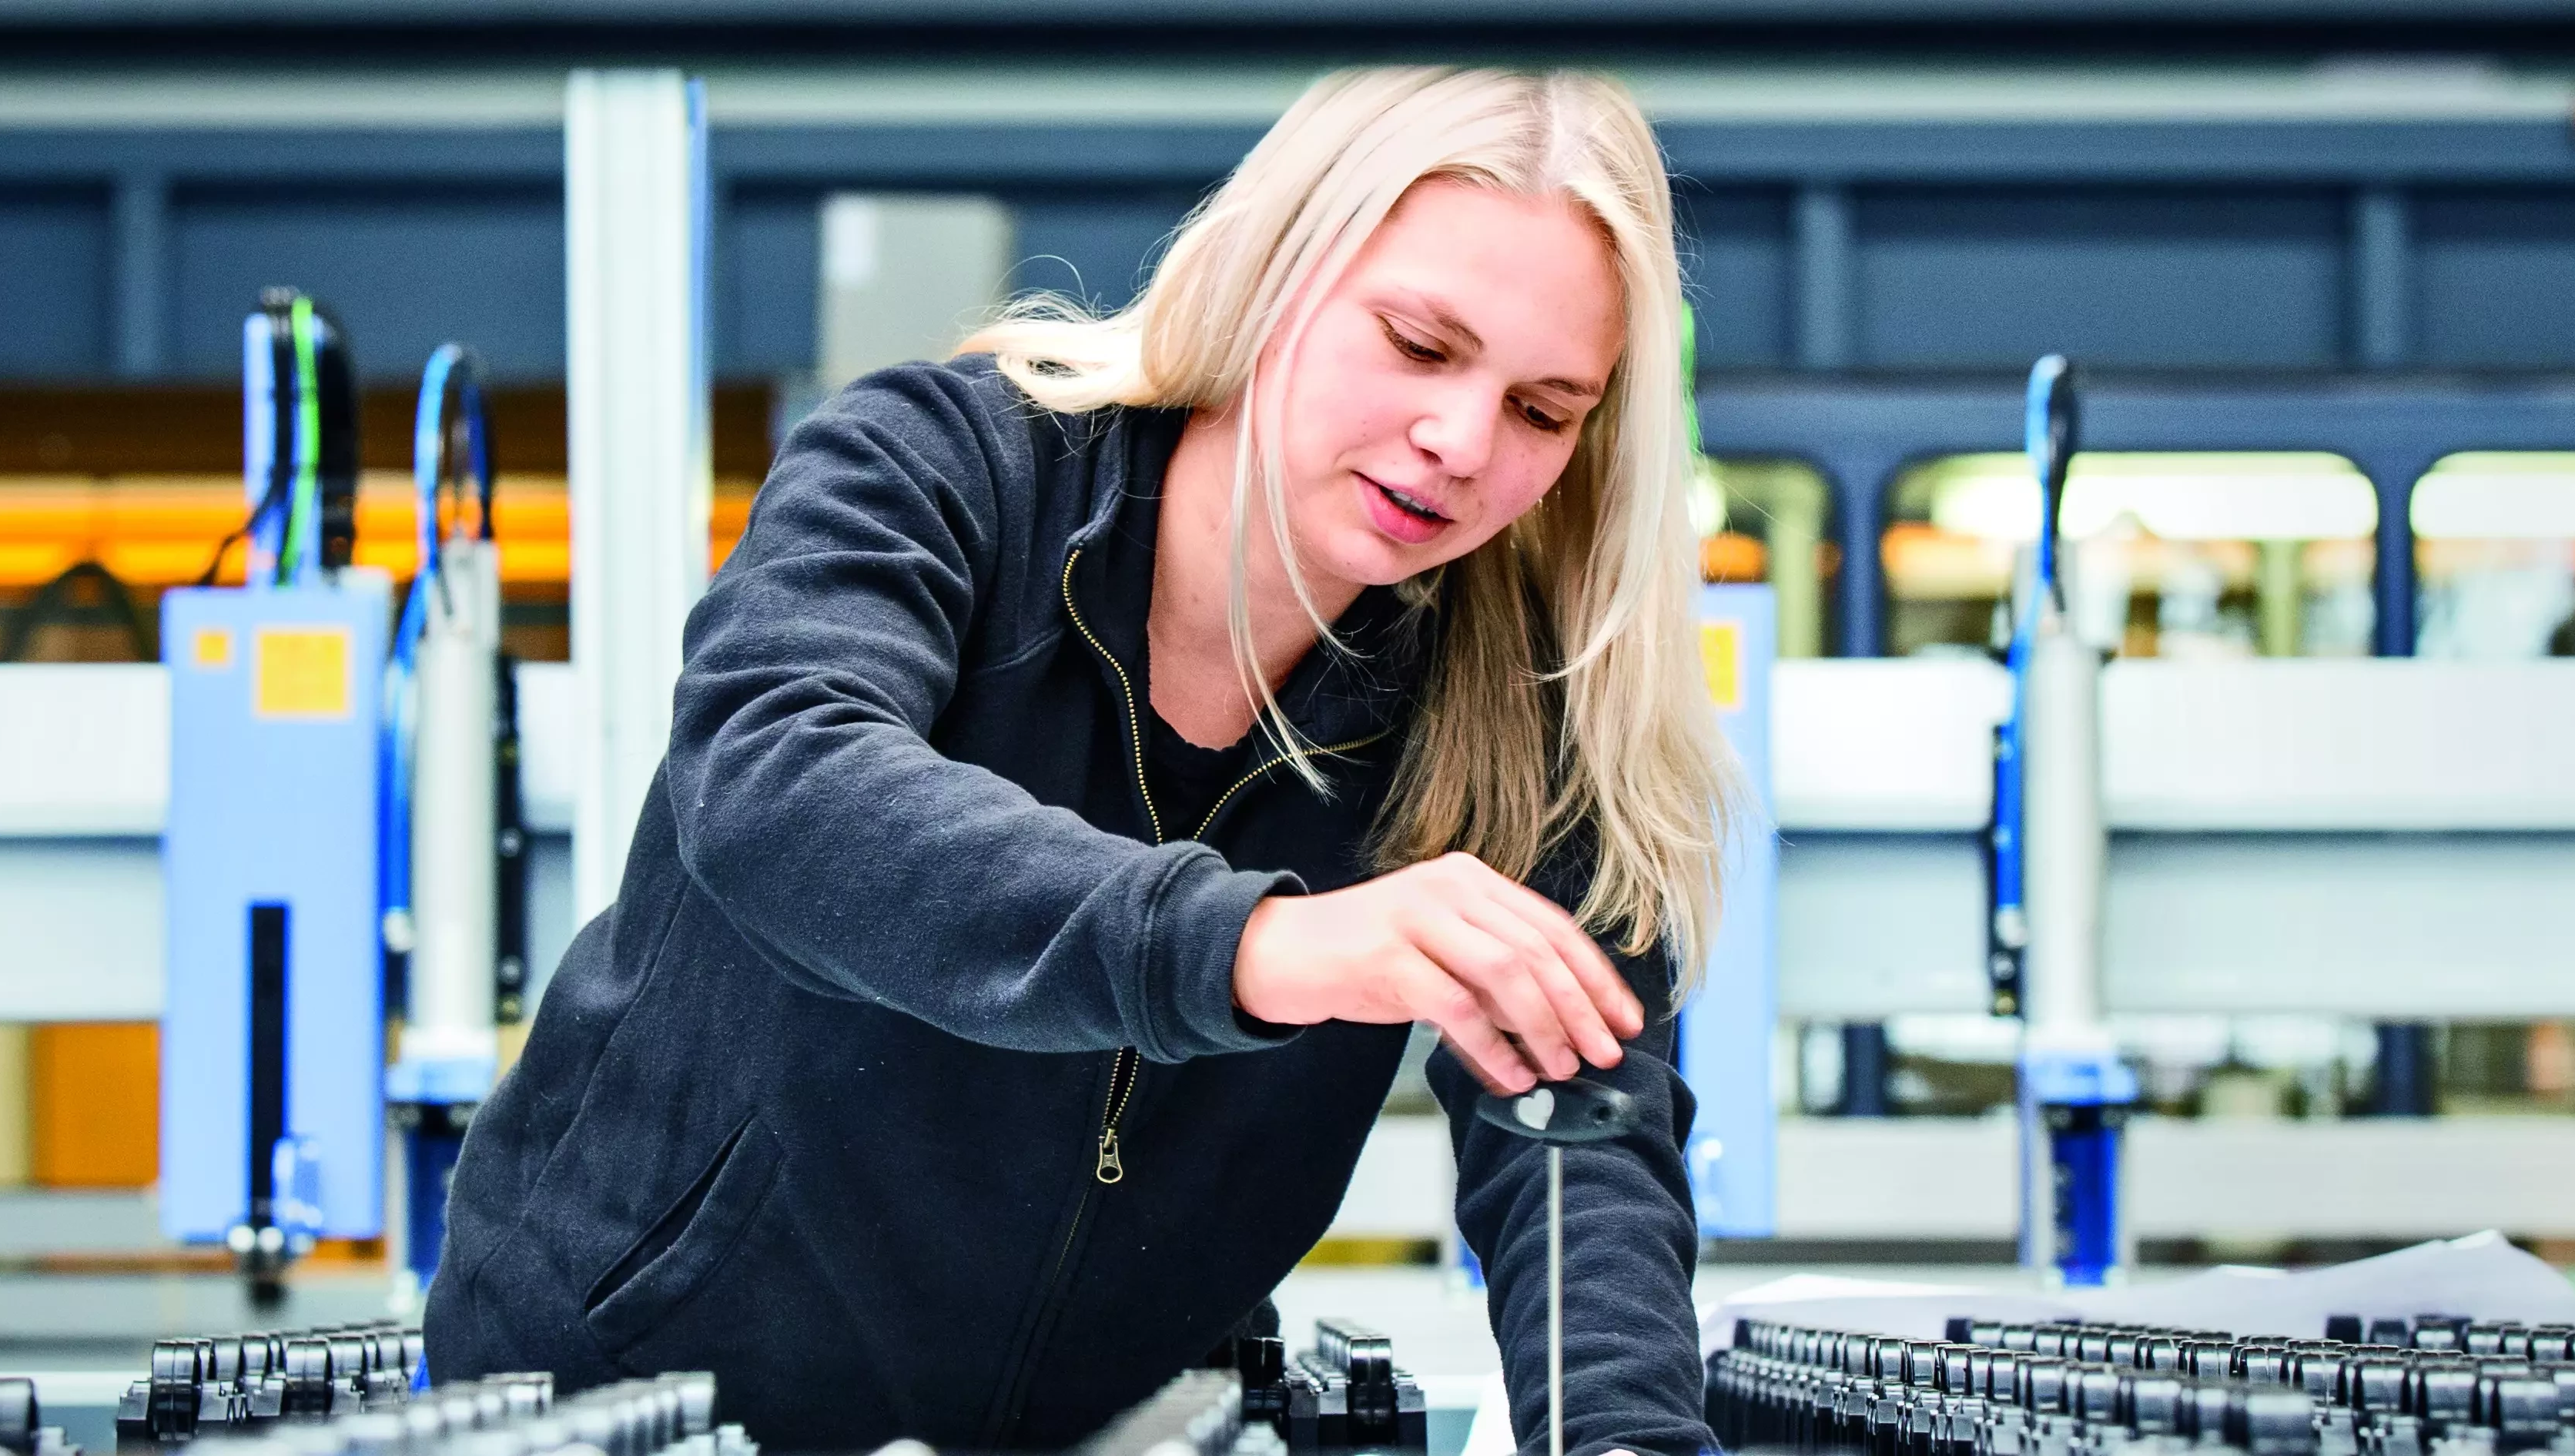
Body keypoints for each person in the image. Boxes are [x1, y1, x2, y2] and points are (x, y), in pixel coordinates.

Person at [423, 65, 1737, 1456]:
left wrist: (1623, 1434)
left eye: (1543, 410)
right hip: (644, 1405)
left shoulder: (1501, 697)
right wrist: (1260, 946)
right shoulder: (941, 468)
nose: (1461, 442)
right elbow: (777, 783)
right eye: (1418, 344)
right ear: (1272, 276)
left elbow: (1575, 1130)